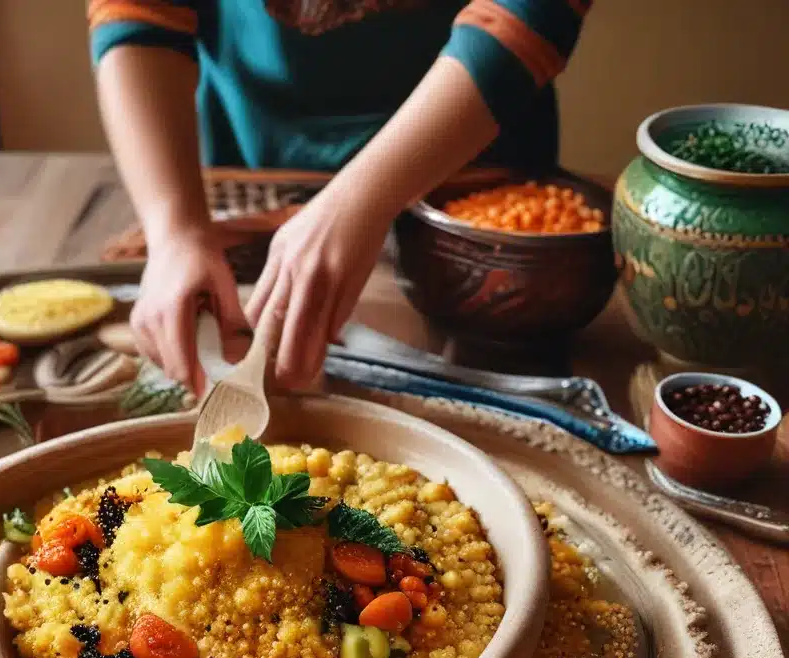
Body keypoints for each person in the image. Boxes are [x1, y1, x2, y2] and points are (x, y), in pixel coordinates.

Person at [89, 0, 592, 392]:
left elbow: (528, 12)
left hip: (470, 166)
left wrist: (363, 198)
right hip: (257, 155)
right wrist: (174, 230)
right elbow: (139, 16)